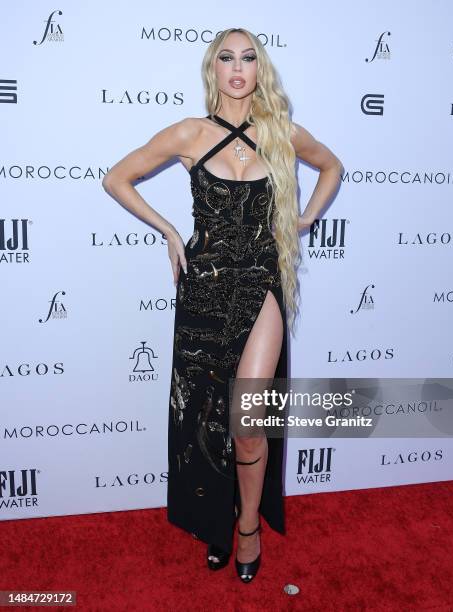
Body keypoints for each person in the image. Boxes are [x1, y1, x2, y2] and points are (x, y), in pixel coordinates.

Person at [102, 27, 343, 583]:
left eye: (249, 58)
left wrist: (306, 218)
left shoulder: (282, 133)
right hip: (204, 290)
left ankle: (249, 526)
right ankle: (215, 520)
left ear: (261, 70)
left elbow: (332, 166)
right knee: (205, 419)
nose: (238, 68)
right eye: (226, 58)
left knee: (249, 418)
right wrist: (166, 229)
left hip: (261, 285)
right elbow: (118, 178)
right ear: (213, 69)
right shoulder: (189, 132)